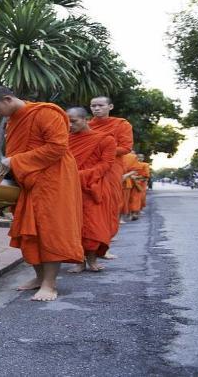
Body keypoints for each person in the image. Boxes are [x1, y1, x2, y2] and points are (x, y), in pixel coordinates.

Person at [0, 85, 83, 301]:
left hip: (53, 179)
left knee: (50, 230)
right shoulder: (13, 120)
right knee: (27, 231)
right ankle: (38, 277)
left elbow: (57, 148)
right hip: (26, 180)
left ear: (8, 99)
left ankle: (49, 284)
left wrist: (15, 161)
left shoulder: (46, 112)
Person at [65, 107, 117, 273]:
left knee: (93, 225)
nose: (70, 125)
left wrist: (81, 175)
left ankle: (92, 260)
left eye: (74, 121)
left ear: (85, 119)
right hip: (70, 187)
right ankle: (78, 260)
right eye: (67, 122)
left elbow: (106, 164)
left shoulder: (105, 139)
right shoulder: (64, 140)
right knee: (74, 225)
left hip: (94, 186)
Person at [88, 96, 133, 231]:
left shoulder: (121, 124)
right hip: (89, 169)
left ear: (110, 107)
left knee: (110, 202)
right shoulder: (86, 126)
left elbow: (126, 148)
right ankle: (90, 242)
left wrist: (103, 150)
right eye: (93, 106)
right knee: (90, 204)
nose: (96, 108)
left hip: (111, 169)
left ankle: (105, 239)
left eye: (100, 105)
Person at [128, 153, 150, 220]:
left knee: (139, 198)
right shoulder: (131, 165)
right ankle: (131, 213)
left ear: (143, 158)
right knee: (130, 198)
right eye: (138, 157)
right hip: (131, 183)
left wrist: (136, 177)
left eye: (141, 157)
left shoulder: (145, 165)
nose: (140, 159)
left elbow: (146, 175)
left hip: (140, 184)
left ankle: (135, 213)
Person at [120, 151, 140, 221]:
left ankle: (121, 217)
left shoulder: (131, 157)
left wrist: (125, 175)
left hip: (125, 182)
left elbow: (135, 171)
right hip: (110, 180)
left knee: (124, 200)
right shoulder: (109, 151)